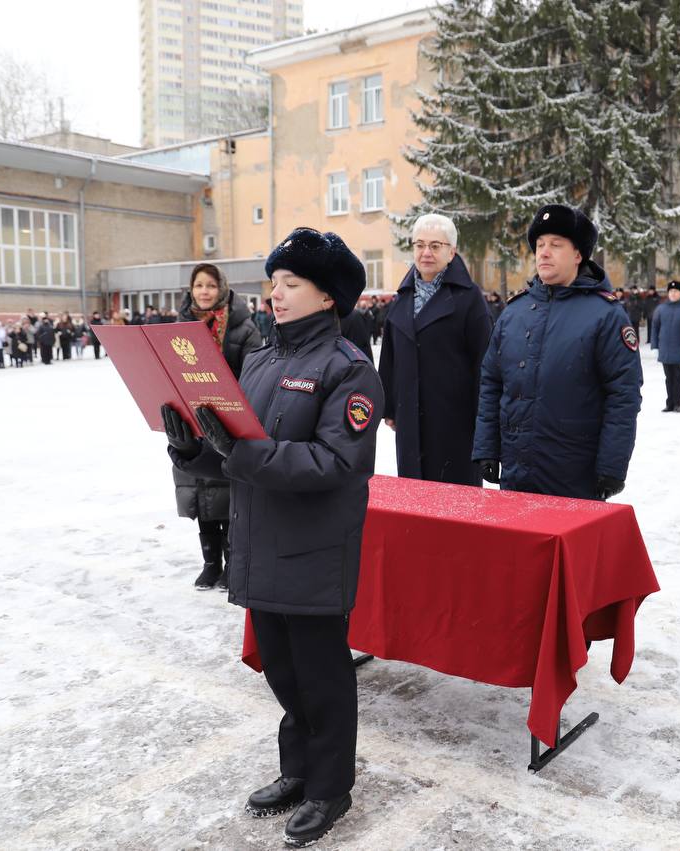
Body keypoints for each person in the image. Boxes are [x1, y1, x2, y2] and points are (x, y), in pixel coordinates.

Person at [162, 227, 381, 847]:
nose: (276, 295)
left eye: (291, 285)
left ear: (328, 297)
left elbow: (336, 464)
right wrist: (192, 448)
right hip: (259, 543)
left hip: (313, 549)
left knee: (320, 674)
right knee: (281, 671)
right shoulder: (259, 359)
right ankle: (297, 771)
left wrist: (243, 453)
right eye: (273, 284)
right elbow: (235, 455)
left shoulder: (349, 371)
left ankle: (330, 786)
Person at [473, 203, 644, 501]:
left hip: (575, 473)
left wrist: (612, 465)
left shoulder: (605, 315)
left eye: (555, 244)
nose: (544, 252)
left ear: (578, 255)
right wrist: (487, 447)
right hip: (517, 470)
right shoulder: (514, 313)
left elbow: (623, 395)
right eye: (539, 245)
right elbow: (492, 382)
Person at [379, 213, 493, 485]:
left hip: (455, 421)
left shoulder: (469, 298)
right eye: (419, 245)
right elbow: (390, 354)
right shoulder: (403, 297)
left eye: (435, 246)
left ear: (451, 252)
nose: (425, 253)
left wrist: (485, 421)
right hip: (410, 420)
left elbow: (485, 362)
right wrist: (390, 407)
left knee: (454, 503)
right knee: (415, 497)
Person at [172, 263, 261, 590]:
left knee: (227, 497)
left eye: (210, 285)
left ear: (222, 288)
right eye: (198, 286)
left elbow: (255, 375)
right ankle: (210, 563)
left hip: (227, 425)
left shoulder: (243, 329)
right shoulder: (179, 328)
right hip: (191, 424)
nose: (205, 292)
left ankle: (231, 563)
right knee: (199, 496)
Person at [650, 280, 680, 412]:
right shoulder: (661, 308)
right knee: (668, 377)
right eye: (671, 291)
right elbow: (654, 328)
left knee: (678, 377)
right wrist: (655, 346)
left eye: (676, 291)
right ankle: (669, 403)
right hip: (665, 348)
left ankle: (677, 403)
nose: (673, 294)